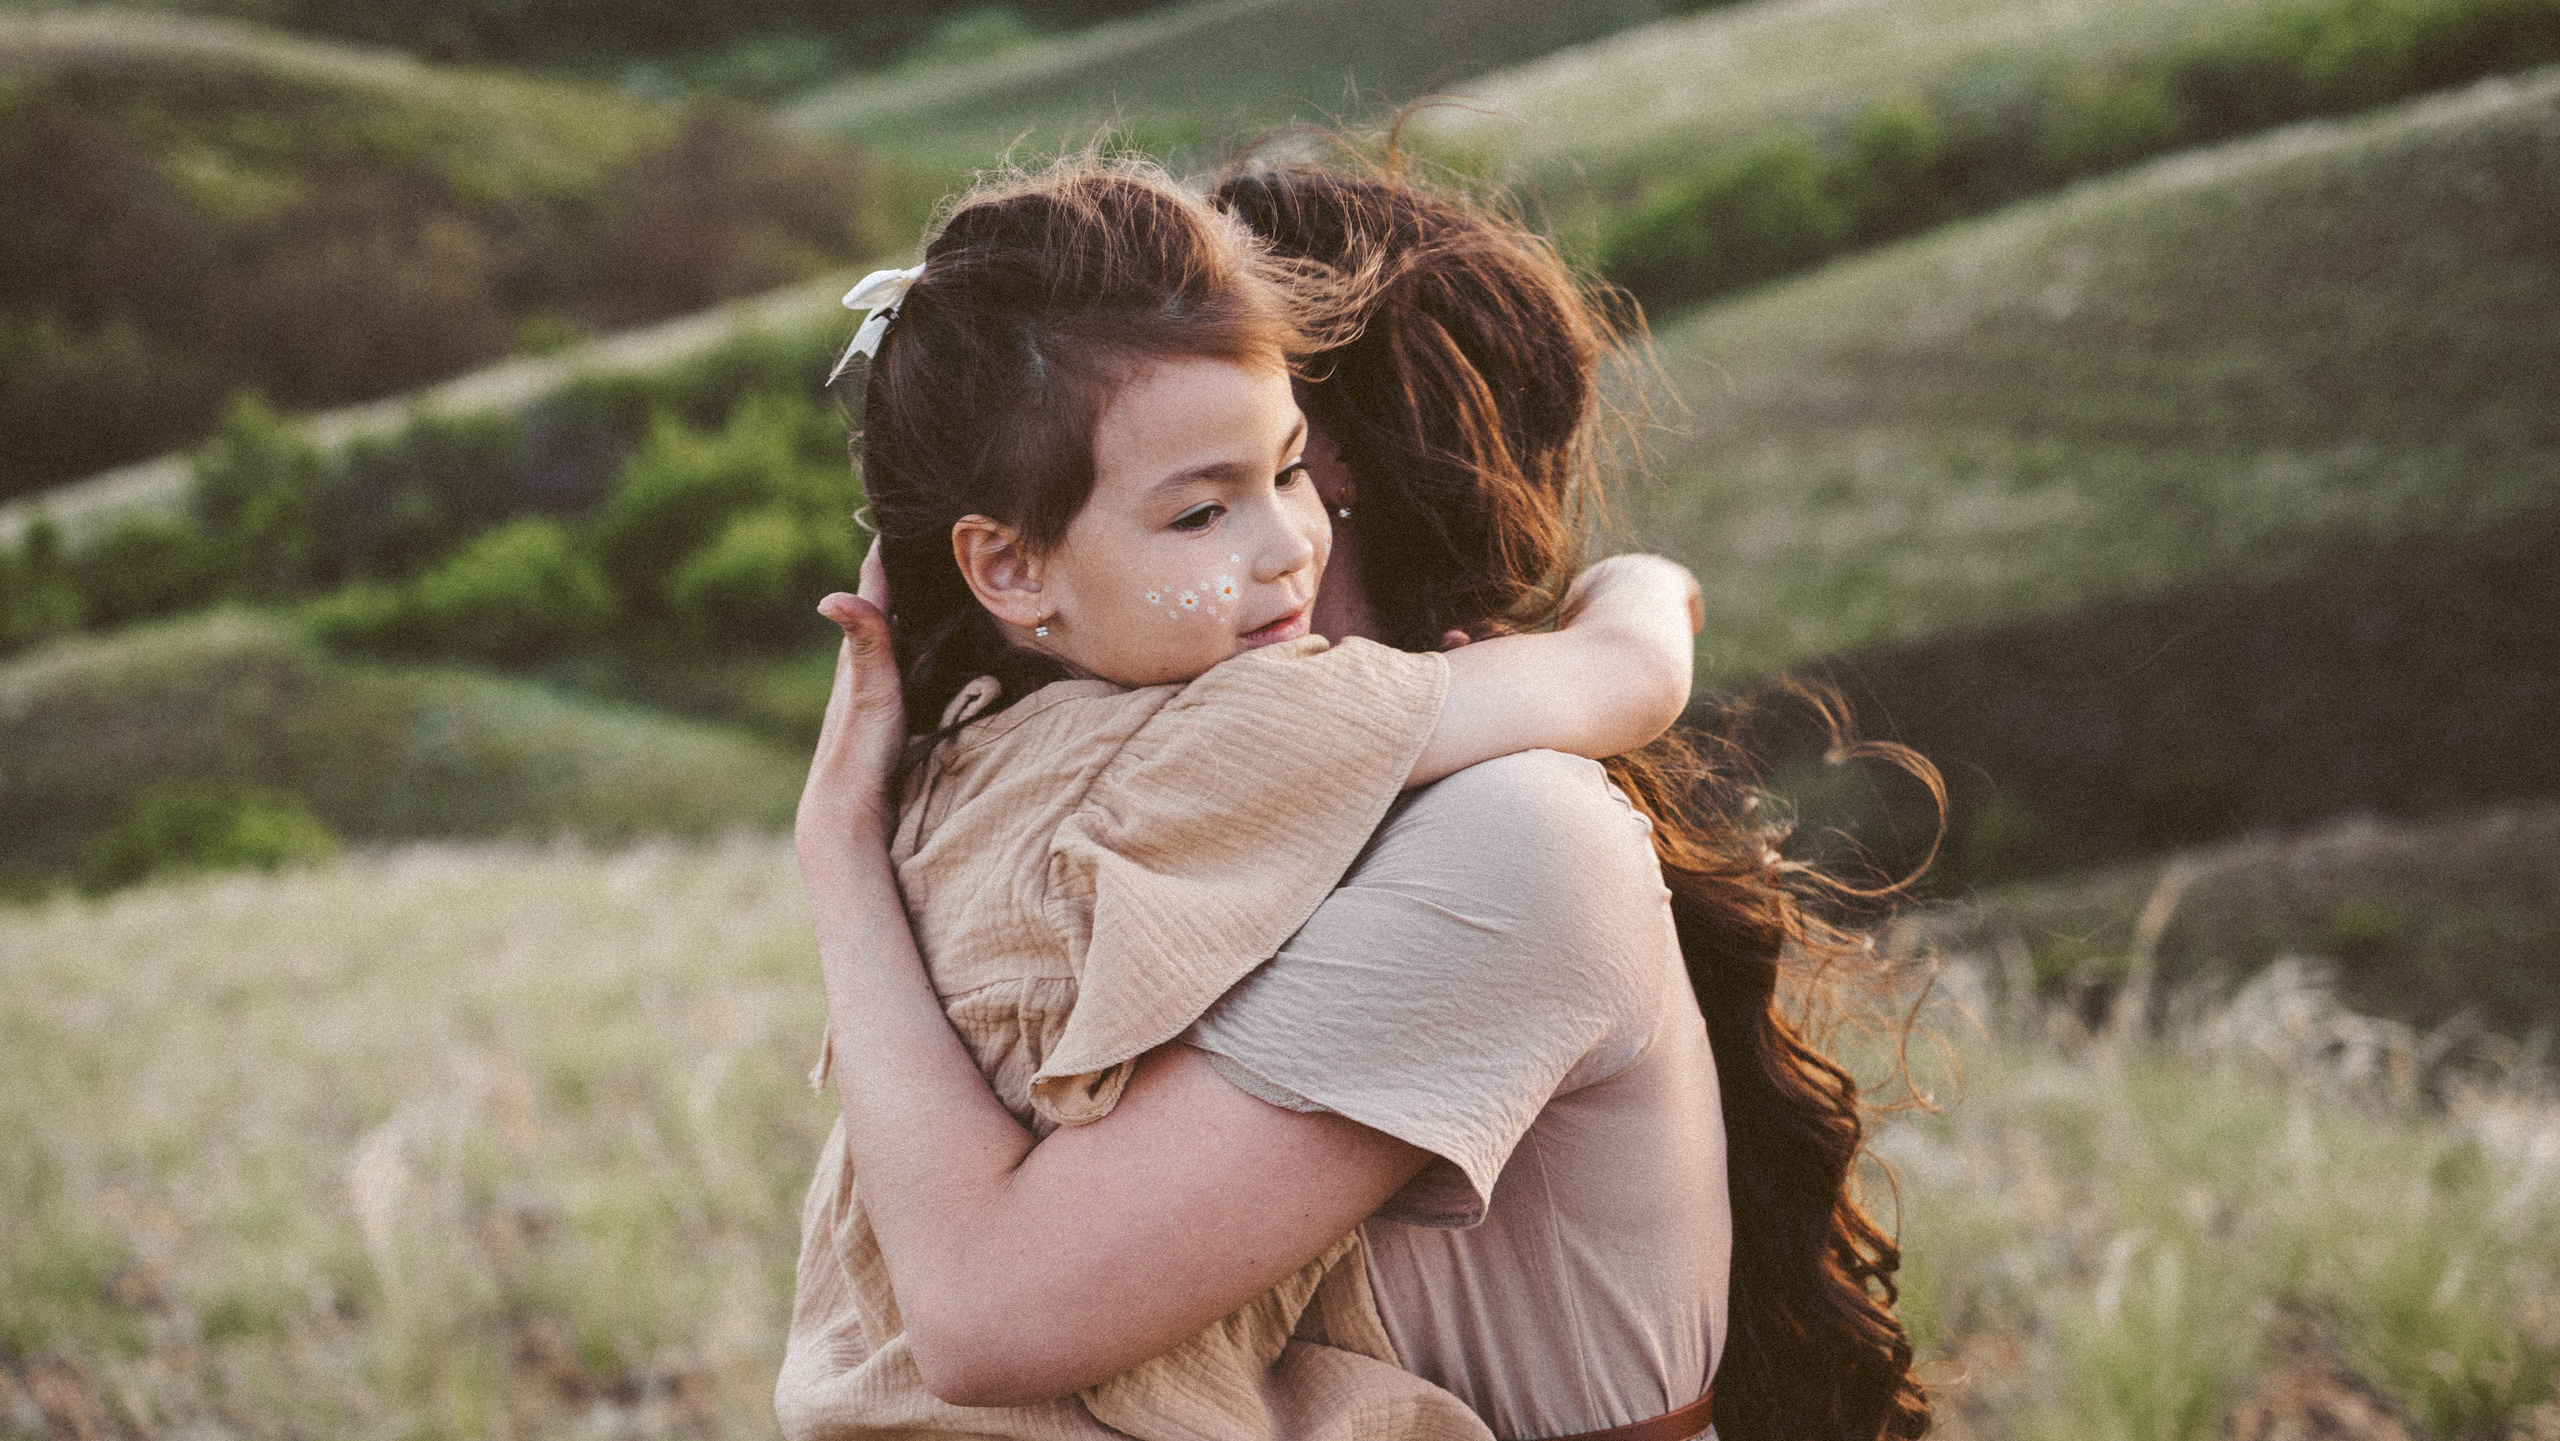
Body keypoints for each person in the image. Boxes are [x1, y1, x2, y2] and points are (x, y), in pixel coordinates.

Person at [785, 154, 1933, 1441]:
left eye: (1289, 482)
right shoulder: (1127, 821)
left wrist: (837, 857)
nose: (1275, 551)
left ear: (1381, 505)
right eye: (1195, 510)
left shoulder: (1507, 839)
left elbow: (988, 1312)